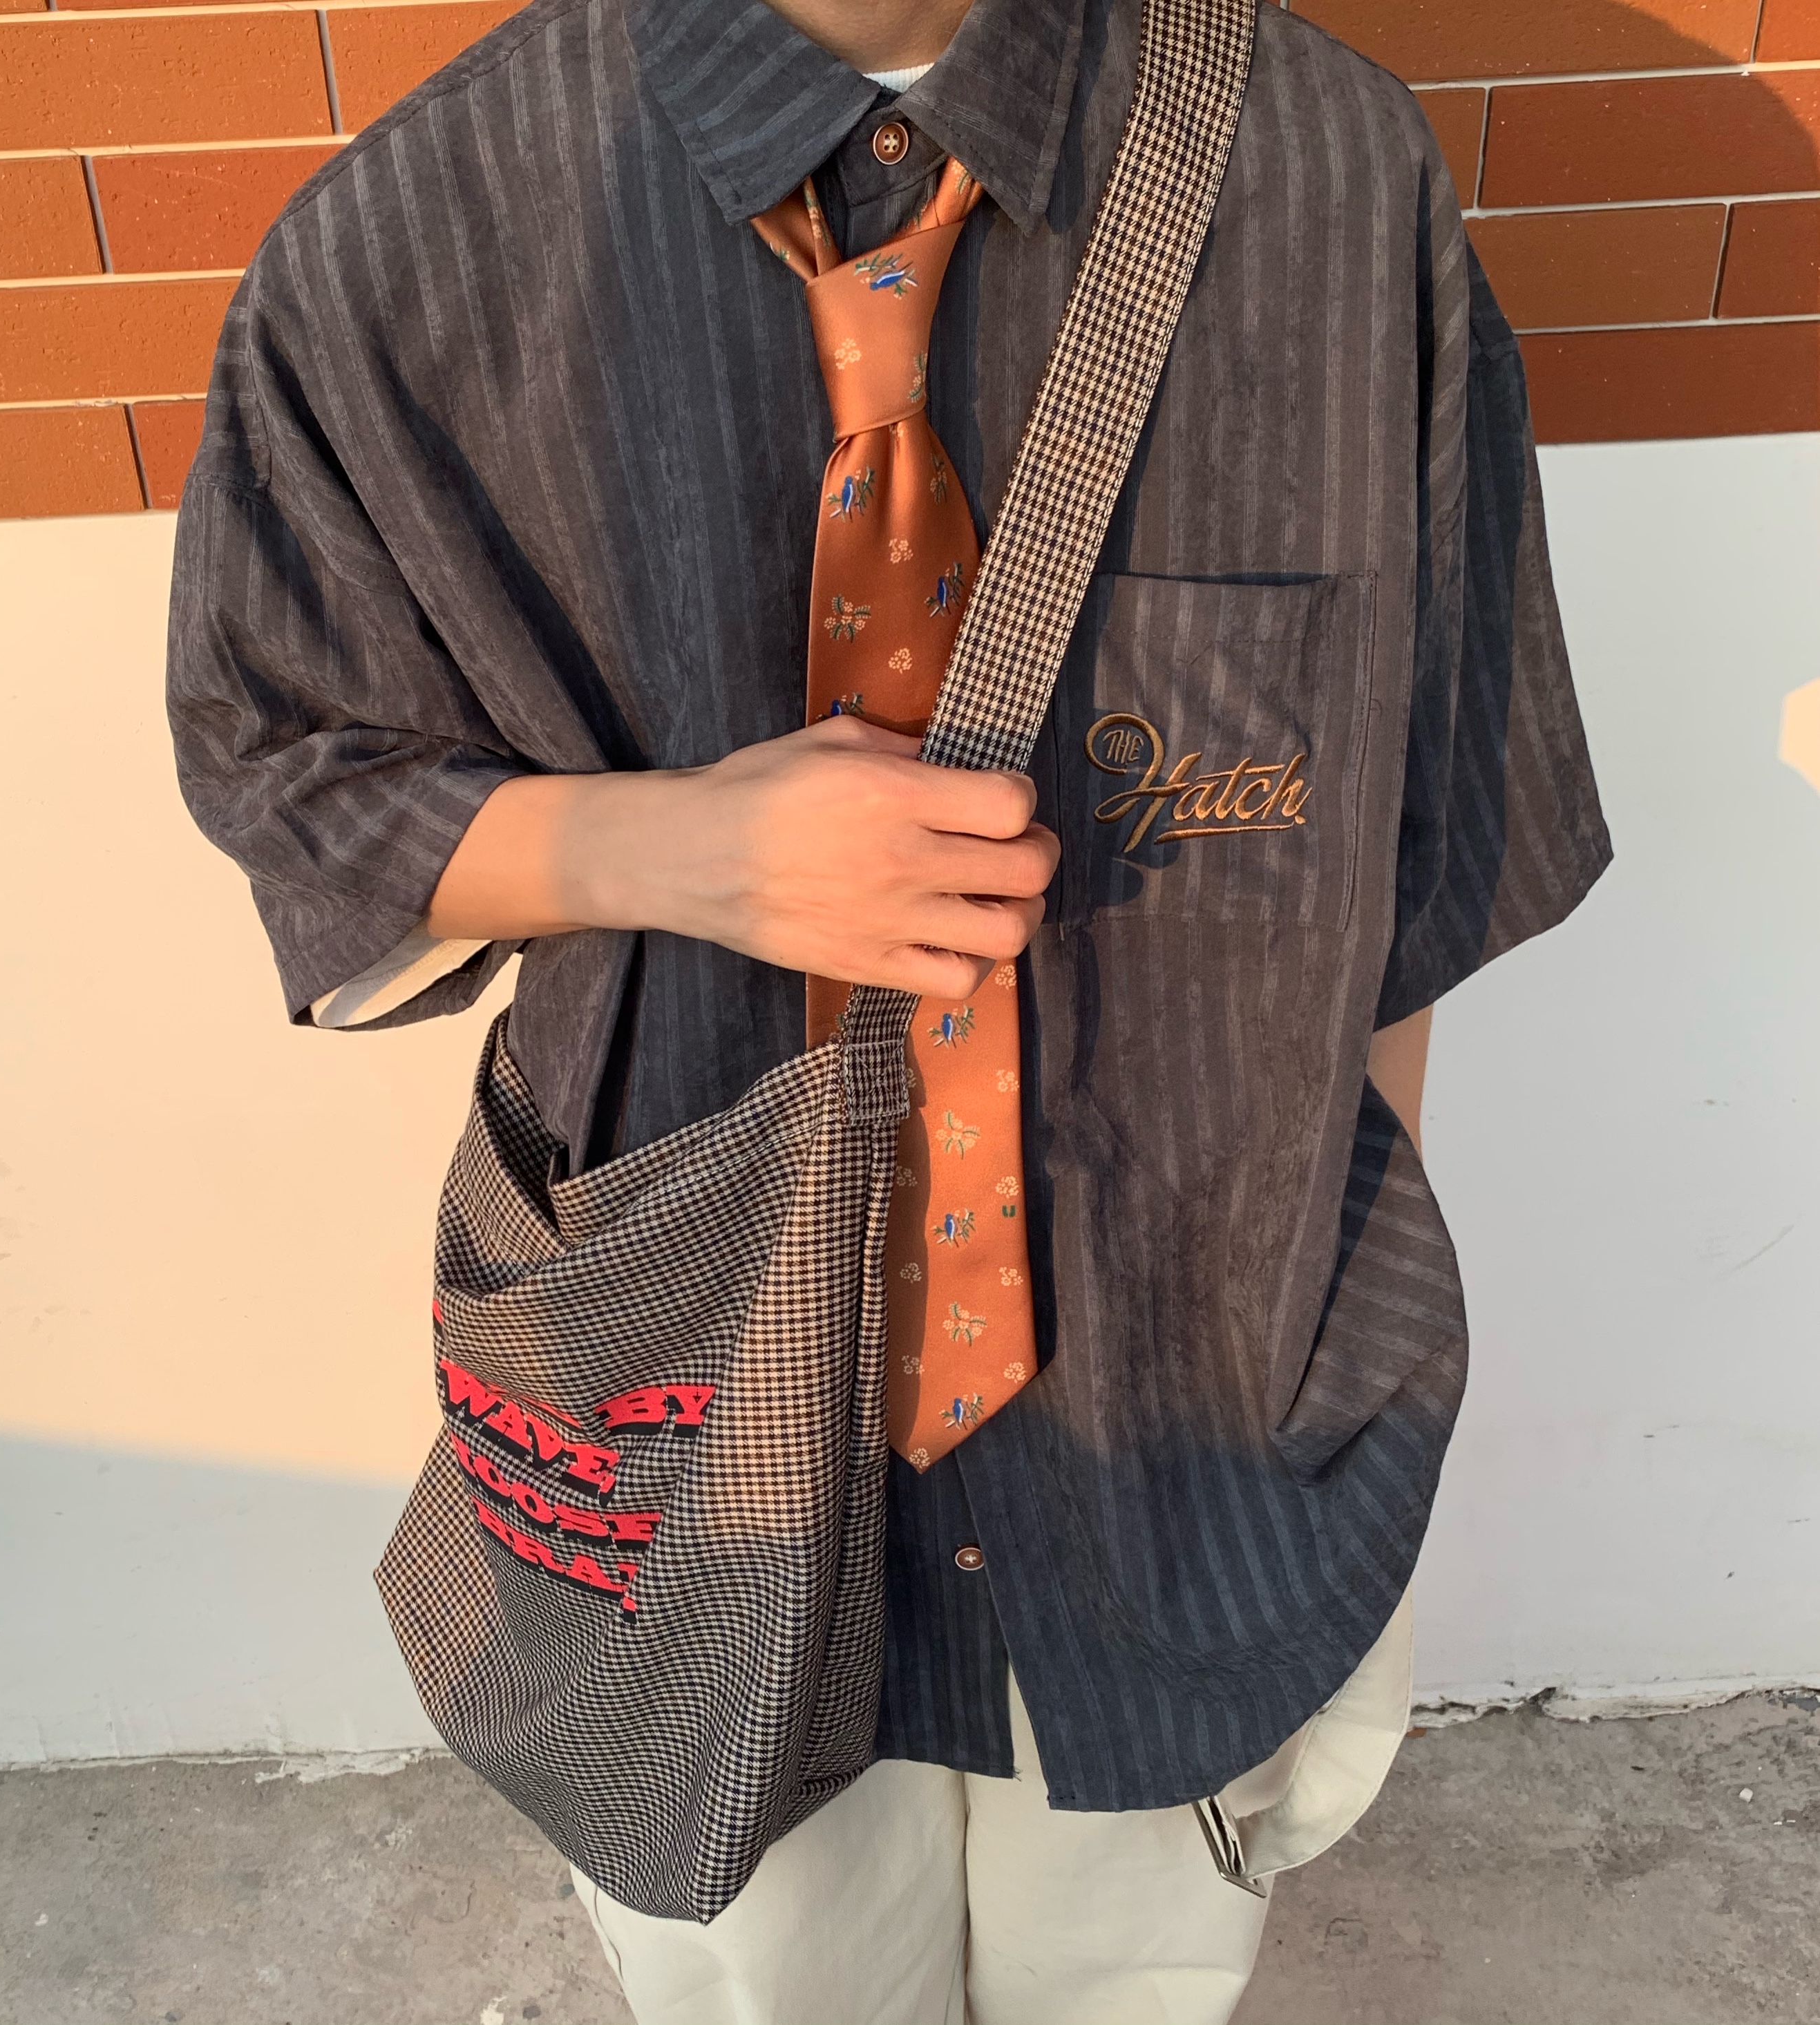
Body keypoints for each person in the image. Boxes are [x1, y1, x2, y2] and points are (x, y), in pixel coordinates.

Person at [166, 0, 1612, 2014]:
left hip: (1179, 1391)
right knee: (774, 1965)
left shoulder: (1318, 175)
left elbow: (1417, 836)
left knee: (1134, 1970)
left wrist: (1313, 1364)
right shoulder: (426, 222)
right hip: (693, 1391)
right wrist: (672, 851)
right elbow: (283, 758)